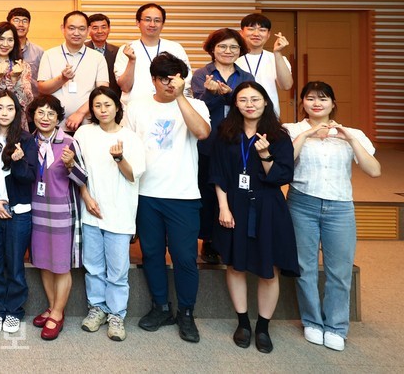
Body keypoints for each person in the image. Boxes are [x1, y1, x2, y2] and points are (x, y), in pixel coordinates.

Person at [284, 81, 381, 352]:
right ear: (302, 102)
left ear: (333, 103)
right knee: (305, 267)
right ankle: (312, 322)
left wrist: (350, 139)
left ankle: (337, 326)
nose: (316, 103)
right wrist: (307, 134)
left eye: (323, 98)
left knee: (339, 270)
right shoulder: (291, 130)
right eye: (310, 98)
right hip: (302, 203)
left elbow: (374, 171)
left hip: (340, 207)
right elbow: (284, 164)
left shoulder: (353, 133)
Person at [124, 52, 210, 343]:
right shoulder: (137, 107)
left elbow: (202, 132)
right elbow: (128, 147)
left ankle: (186, 312)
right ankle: (160, 307)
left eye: (175, 78)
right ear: (153, 80)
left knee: (185, 257)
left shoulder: (196, 104)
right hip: (146, 194)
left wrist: (181, 96)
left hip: (183, 195)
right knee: (151, 254)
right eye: (164, 79)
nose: (169, 84)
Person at [211, 81, 298, 354]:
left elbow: (282, 176)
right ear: (235, 103)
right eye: (243, 99)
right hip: (234, 204)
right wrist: (223, 207)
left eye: (255, 99)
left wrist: (265, 155)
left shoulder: (279, 136)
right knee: (235, 266)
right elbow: (218, 172)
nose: (250, 104)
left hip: (268, 205)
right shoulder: (225, 132)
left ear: (266, 102)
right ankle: (242, 323)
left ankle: (262, 327)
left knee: (269, 268)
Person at [73, 86, 145, 342]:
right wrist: (86, 197)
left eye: (107, 105)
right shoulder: (83, 133)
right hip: (91, 210)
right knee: (93, 267)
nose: (102, 110)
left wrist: (119, 158)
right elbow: (76, 171)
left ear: (117, 107)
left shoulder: (131, 138)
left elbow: (133, 175)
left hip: (120, 213)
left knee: (117, 270)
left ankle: (116, 314)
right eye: (97, 105)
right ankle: (97, 309)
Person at [190, 28, 254, 264]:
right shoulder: (201, 74)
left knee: (237, 189)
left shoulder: (246, 77)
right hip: (208, 143)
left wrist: (228, 95)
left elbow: (250, 105)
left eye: (233, 47)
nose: (228, 51)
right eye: (222, 46)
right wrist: (212, 94)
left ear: (240, 50)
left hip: (238, 142)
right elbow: (197, 108)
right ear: (212, 49)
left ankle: (234, 235)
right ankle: (208, 240)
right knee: (208, 191)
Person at [0, 90, 35, 335]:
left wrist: (19, 161)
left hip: (19, 213)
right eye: (0, 107)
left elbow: (29, 178)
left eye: (10, 108)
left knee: (14, 264)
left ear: (17, 112)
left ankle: (14, 310)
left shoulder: (25, 139)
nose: (4, 113)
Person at [26, 95, 79, 341]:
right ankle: (51, 306)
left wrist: (71, 165)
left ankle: (58, 313)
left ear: (58, 118)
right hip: (36, 210)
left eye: (51, 114)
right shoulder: (28, 142)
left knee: (60, 263)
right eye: (40, 112)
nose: (45, 118)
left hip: (61, 212)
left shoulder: (69, 142)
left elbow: (83, 178)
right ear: (33, 116)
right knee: (43, 261)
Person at [37, 11, 109, 131]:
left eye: (81, 29)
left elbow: (102, 92)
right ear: (63, 29)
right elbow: (42, 89)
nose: (76, 33)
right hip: (54, 124)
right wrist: (62, 79)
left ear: (88, 30)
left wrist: (80, 113)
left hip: (87, 124)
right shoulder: (49, 54)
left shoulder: (98, 57)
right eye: (71, 28)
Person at [114, 3, 192, 104]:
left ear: (163, 24)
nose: (152, 24)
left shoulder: (175, 48)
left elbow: (185, 83)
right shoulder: (127, 50)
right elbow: (125, 87)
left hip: (170, 106)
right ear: (138, 22)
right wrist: (131, 61)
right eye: (147, 20)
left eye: (157, 20)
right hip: (135, 108)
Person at [237, 13, 293, 116]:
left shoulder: (277, 58)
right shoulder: (232, 58)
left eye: (262, 30)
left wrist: (277, 53)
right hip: (238, 114)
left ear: (268, 34)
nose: (256, 34)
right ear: (241, 33)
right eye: (251, 29)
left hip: (269, 116)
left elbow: (286, 86)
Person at [7, 7, 44, 97]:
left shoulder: (39, 52)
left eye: (25, 21)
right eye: (16, 20)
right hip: (7, 101)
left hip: (32, 101)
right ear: (8, 24)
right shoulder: (3, 50)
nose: (21, 24)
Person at [84, 13, 121, 96]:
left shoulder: (118, 51)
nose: (100, 31)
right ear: (88, 30)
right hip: (87, 97)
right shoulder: (83, 50)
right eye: (95, 28)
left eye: (103, 27)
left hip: (111, 98)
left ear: (109, 29)